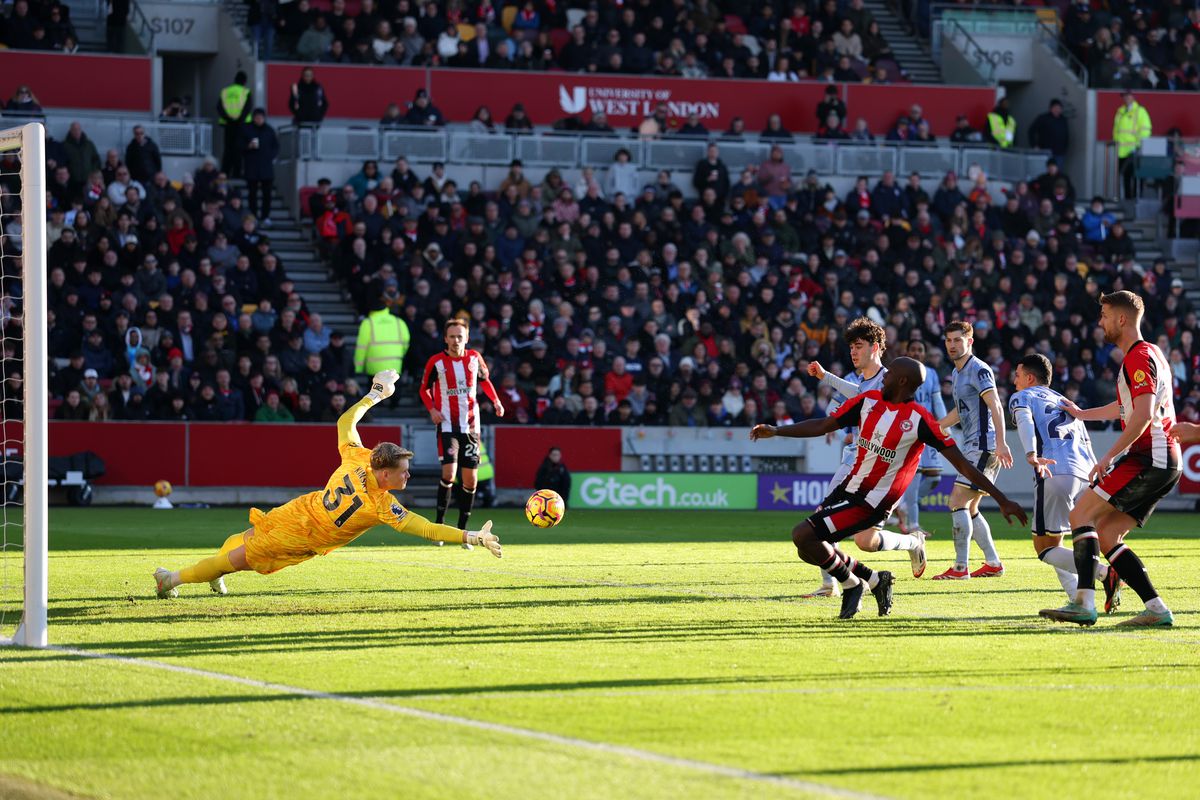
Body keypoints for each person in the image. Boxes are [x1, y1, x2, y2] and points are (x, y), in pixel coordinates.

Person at [153, 371, 503, 599]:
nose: (407, 477)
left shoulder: (359, 457)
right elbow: (426, 528)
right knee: (237, 559)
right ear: (384, 474)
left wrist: (375, 394)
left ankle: (214, 571)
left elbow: (345, 421)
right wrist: (472, 537)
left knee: (247, 537)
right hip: (300, 536)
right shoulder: (381, 505)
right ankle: (170, 580)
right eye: (403, 472)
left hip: (300, 509)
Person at [751, 357, 1027, 620]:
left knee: (803, 534)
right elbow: (824, 425)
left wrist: (1002, 499)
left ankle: (853, 584)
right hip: (848, 489)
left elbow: (963, 465)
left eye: (890, 372)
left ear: (903, 381)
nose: (884, 376)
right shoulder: (868, 401)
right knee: (808, 548)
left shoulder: (920, 420)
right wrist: (776, 430)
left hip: (872, 503)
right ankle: (873, 580)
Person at [1041, 291, 1180, 628]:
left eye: (1104, 316)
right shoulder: (1151, 354)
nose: (1100, 322)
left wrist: (1108, 456)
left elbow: (1143, 414)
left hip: (1149, 456)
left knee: (1080, 514)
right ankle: (1157, 609)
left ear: (1121, 319)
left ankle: (1083, 602)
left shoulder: (1138, 357)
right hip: (1164, 459)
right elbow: (1126, 407)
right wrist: (1082, 413)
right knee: (1107, 535)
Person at [805, 318, 927, 591]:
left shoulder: (892, 380)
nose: (853, 351)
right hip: (855, 461)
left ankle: (912, 542)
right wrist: (826, 377)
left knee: (865, 541)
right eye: (851, 346)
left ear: (876, 347)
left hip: (881, 471)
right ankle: (832, 583)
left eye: (858, 346)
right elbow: (859, 394)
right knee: (826, 522)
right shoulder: (864, 381)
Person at [1009, 353, 1122, 613]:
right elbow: (1085, 440)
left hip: (1054, 472)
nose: (1014, 381)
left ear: (1030, 378)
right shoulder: (1065, 400)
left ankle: (1105, 573)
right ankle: (1077, 599)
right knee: (1058, 542)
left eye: (1018, 375)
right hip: (1084, 475)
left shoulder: (1023, 396)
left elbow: (1025, 421)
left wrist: (1031, 453)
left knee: (1044, 549)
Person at [934, 321, 1013, 580]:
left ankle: (960, 568)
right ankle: (993, 563)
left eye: (957, 340)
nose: (952, 345)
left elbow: (996, 405)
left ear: (969, 341)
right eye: (949, 340)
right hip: (975, 445)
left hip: (982, 445)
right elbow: (961, 411)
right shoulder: (957, 372)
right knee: (969, 508)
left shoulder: (979, 369)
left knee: (956, 501)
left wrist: (1001, 442)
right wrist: (937, 427)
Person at [419, 319, 505, 546]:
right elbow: (424, 389)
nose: (456, 340)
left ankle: (462, 531)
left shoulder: (475, 358)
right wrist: (432, 410)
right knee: (449, 474)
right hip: (447, 426)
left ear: (466, 338)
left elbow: (485, 382)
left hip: (471, 428)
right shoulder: (436, 362)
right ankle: (439, 527)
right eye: (452, 336)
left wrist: (496, 401)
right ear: (445, 339)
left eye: (460, 336)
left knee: (471, 480)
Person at [895, 339, 946, 544]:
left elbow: (937, 401)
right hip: (909, 429)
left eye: (920, 350)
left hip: (928, 428)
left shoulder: (931, 374)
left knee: (935, 476)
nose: (917, 353)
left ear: (924, 354)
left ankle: (903, 506)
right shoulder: (901, 372)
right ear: (907, 352)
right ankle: (913, 524)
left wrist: (944, 424)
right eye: (913, 349)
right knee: (914, 478)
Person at [353, 290, 411, 394]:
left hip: (374, 368)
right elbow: (406, 343)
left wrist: (358, 367)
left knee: (375, 396)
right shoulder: (399, 322)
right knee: (394, 392)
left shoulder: (368, 322)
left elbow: (361, 347)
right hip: (395, 365)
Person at [241, 108, 279, 225]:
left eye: (261, 118)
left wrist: (270, 156)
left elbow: (276, 146)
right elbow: (239, 145)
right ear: (253, 118)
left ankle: (265, 216)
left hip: (266, 167)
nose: (259, 120)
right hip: (251, 167)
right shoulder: (246, 129)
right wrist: (248, 146)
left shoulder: (269, 130)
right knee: (252, 194)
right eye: (257, 118)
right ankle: (253, 216)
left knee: (267, 194)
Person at [1113, 90, 1151, 200]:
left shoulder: (1140, 111)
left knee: (1135, 178)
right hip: (1121, 151)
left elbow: (1145, 130)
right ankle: (1127, 200)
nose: (1126, 98)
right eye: (1124, 96)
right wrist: (1116, 142)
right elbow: (1116, 130)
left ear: (1133, 97)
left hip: (1134, 151)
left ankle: (1135, 200)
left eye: (1128, 96)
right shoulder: (1120, 111)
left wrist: (1139, 146)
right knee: (1125, 177)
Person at [218, 71, 253, 178]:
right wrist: (239, 119)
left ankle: (225, 173)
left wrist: (229, 119)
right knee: (238, 150)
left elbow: (219, 107)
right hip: (241, 125)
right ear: (245, 81)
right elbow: (247, 108)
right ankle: (236, 175)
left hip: (228, 125)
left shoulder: (225, 91)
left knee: (227, 150)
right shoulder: (245, 92)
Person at [1027, 99, 1069, 165]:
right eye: (1056, 108)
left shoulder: (1063, 120)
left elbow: (1066, 134)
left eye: (1059, 108)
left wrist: (1064, 148)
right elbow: (1031, 131)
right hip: (1045, 152)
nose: (1057, 110)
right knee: (1043, 169)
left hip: (1059, 154)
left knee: (1057, 170)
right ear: (1051, 108)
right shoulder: (1043, 118)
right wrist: (1034, 145)